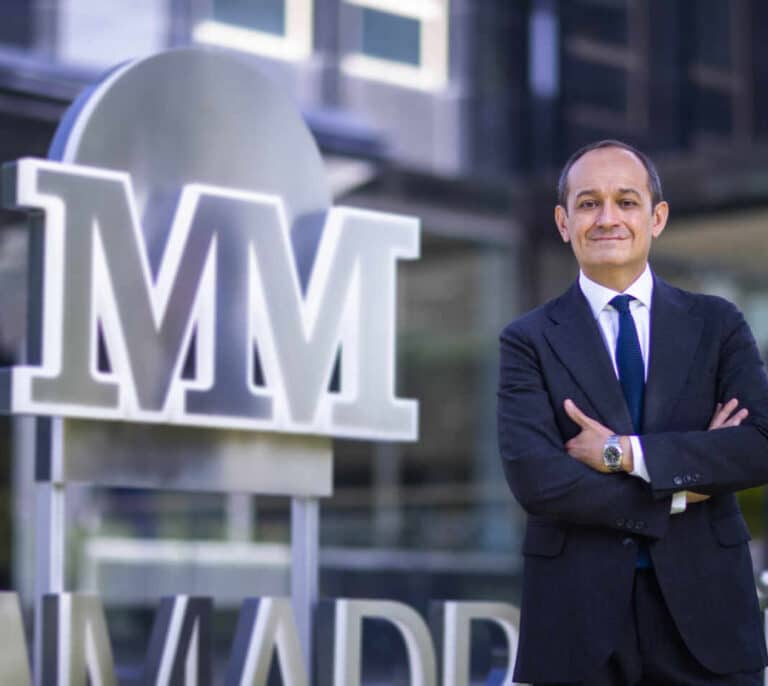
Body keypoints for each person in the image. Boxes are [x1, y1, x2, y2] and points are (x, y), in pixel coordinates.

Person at [497, 139, 768, 685]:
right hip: (578, 621)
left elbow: (757, 445)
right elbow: (538, 480)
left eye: (626, 201)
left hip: (708, 617)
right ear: (563, 222)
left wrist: (621, 454)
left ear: (656, 217)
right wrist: (682, 489)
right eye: (588, 203)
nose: (607, 218)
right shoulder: (528, 340)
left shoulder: (717, 324)